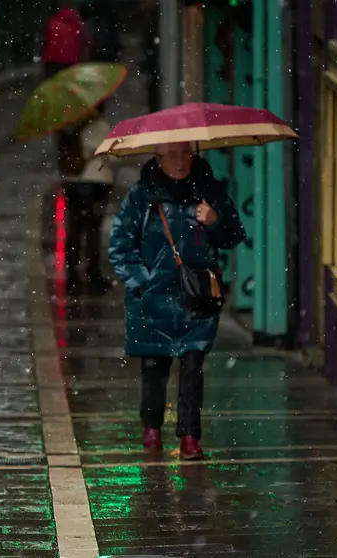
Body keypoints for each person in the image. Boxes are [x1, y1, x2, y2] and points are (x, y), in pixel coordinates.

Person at [108, 142, 246, 460]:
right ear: (158, 158)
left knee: (193, 366)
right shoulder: (141, 196)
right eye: (172, 155)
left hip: (197, 297)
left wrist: (214, 221)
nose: (180, 162)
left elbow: (234, 235)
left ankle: (189, 436)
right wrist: (141, 283)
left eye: (185, 153)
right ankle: (152, 426)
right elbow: (120, 244)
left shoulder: (209, 191)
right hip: (152, 299)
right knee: (154, 368)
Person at [57, 103, 115, 292]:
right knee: (92, 229)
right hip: (96, 180)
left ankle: (72, 275)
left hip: (72, 180)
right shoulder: (100, 124)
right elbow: (114, 155)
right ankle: (92, 273)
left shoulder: (70, 122)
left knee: (74, 227)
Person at [40, 0, 90, 77]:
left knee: (52, 82)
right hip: (71, 63)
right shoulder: (79, 24)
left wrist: (43, 58)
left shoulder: (52, 22)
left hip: (52, 62)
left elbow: (44, 42)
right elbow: (86, 45)